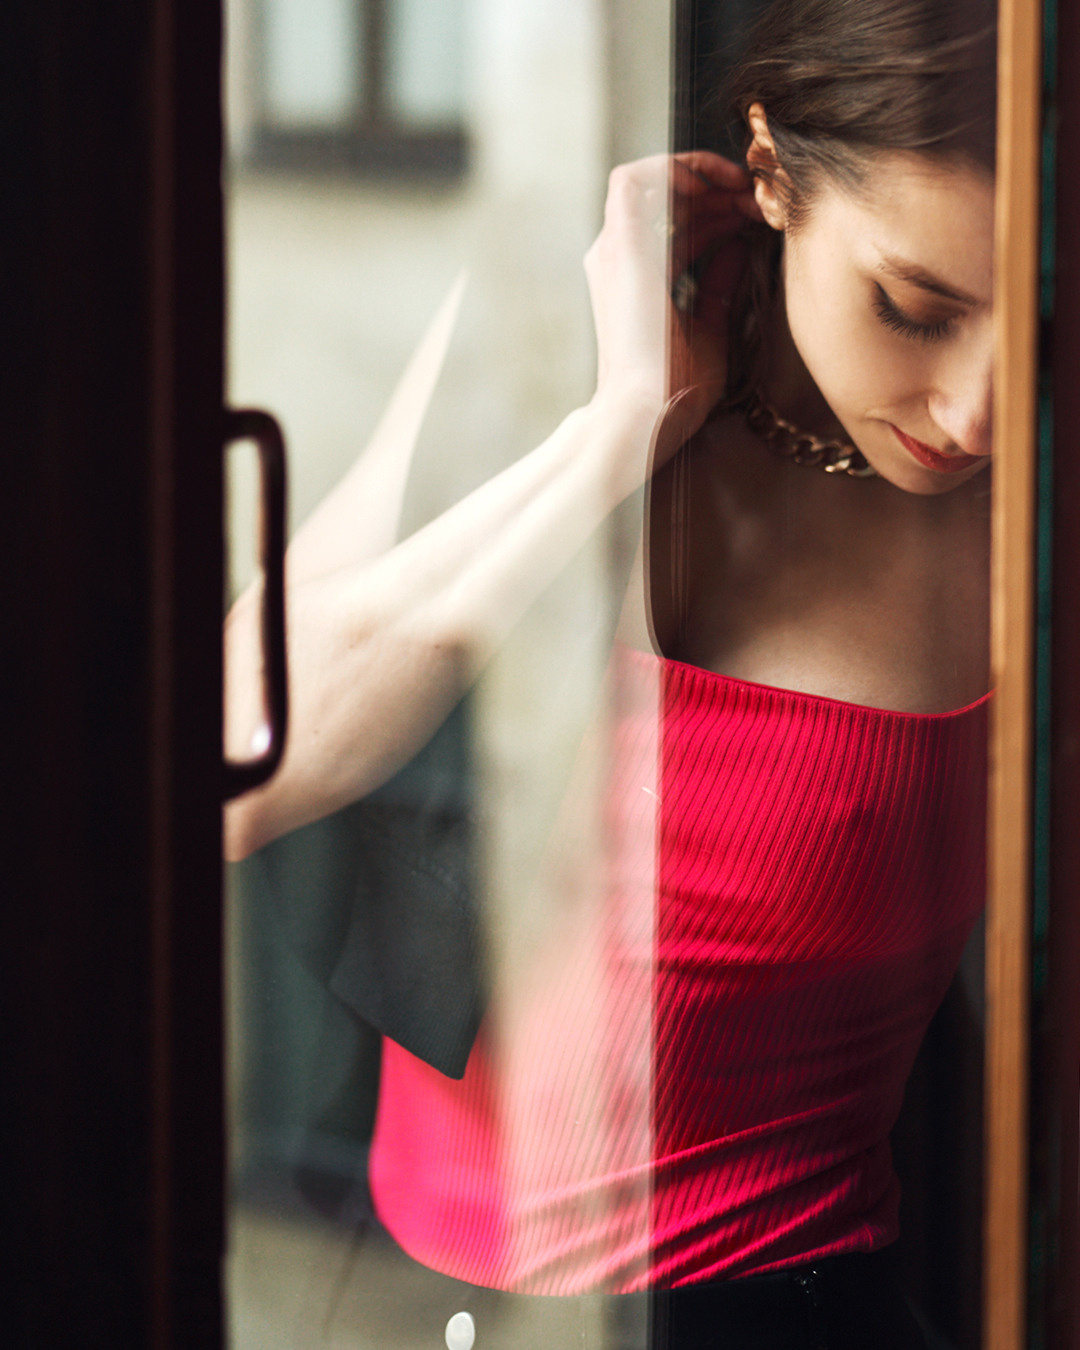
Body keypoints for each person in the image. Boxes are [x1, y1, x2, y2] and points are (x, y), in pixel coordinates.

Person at [225, 0, 996, 1344]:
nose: (977, 407)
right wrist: (607, 438)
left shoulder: (1027, 508)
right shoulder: (570, 335)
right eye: (915, 308)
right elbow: (239, 758)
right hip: (416, 1293)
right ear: (770, 173)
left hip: (793, 1304)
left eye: (1038, 317)